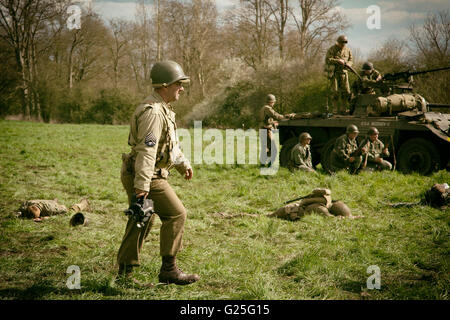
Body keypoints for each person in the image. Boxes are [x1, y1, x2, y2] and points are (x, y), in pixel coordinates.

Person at [116, 60, 199, 286]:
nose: (181, 88)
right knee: (176, 214)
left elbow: (169, 145)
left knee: (142, 219)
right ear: (164, 85)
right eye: (178, 84)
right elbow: (148, 150)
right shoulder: (153, 112)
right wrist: (142, 186)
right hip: (147, 174)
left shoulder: (163, 109)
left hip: (146, 172)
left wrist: (183, 165)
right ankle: (169, 270)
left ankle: (125, 274)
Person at [259, 94, 292, 166]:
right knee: (272, 147)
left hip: (263, 128)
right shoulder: (268, 108)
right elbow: (275, 115)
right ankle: (269, 164)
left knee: (266, 147)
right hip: (266, 129)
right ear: (271, 102)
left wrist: (273, 122)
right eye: (273, 102)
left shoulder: (263, 108)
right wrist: (284, 117)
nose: (274, 103)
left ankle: (263, 163)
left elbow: (267, 119)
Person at [325, 35, 354, 114]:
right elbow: (328, 59)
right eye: (342, 43)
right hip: (334, 73)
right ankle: (335, 109)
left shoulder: (348, 50)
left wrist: (348, 64)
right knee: (335, 91)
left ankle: (343, 109)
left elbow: (351, 60)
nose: (343, 45)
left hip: (344, 73)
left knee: (346, 91)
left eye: (344, 43)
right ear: (338, 42)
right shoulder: (332, 49)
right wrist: (338, 61)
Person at [17, 198, 91, 222]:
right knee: (52, 204)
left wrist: (47, 218)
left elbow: (65, 211)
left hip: (52, 206)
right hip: (47, 203)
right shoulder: (26, 204)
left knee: (70, 211)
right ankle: (54, 201)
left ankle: (84, 203)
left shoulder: (51, 209)